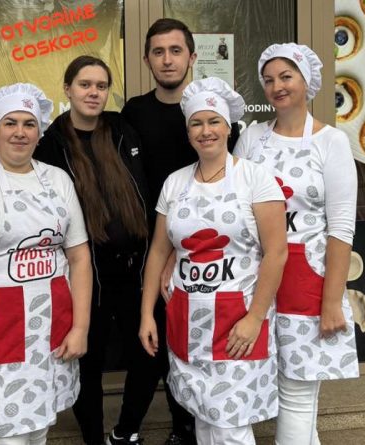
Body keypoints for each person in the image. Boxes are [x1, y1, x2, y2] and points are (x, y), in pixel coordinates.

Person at [139, 77, 288, 445]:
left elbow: (276, 252)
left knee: (230, 427)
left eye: (213, 122)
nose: (205, 131)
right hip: (188, 321)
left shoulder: (255, 179)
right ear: (188, 131)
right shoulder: (175, 183)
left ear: (229, 127)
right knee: (205, 419)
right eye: (196, 123)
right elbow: (158, 251)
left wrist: (255, 318)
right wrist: (147, 314)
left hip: (238, 321)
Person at [0, 83, 92, 444]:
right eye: (10, 123)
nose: (20, 132)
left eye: (29, 124)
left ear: (40, 131)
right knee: (4, 432)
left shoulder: (58, 179)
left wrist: (80, 327)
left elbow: (79, 257)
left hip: (51, 324)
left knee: (39, 429)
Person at [122, 18, 242, 445]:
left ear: (192, 57)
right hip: (151, 244)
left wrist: (181, 247)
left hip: (206, 252)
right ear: (147, 60)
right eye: (158, 52)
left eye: (176, 51)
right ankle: (128, 429)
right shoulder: (134, 113)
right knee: (152, 341)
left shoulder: (213, 112)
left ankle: (187, 428)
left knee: (194, 339)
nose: (167, 60)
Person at [233, 43, 359, 445]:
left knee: (298, 391)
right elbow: (231, 206)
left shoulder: (331, 142)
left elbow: (341, 228)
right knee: (264, 379)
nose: (277, 86)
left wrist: (332, 301)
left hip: (307, 281)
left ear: (307, 81)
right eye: (269, 79)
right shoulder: (252, 139)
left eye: (286, 76)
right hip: (254, 278)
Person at [33, 55, 152, 445]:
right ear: (67, 89)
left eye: (101, 86)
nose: (93, 93)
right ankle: (94, 439)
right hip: (86, 273)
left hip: (134, 269)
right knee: (89, 363)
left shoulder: (122, 130)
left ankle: (126, 431)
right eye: (85, 84)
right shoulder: (50, 144)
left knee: (149, 354)